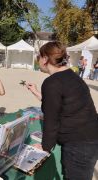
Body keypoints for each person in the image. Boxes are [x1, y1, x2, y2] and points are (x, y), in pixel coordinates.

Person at [26, 41, 98, 180]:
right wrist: (36, 92)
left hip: (79, 145)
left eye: (39, 57)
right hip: (90, 139)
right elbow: (61, 105)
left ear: (45, 59)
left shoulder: (52, 82)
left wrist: (45, 146)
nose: (38, 60)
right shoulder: (71, 75)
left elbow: (51, 119)